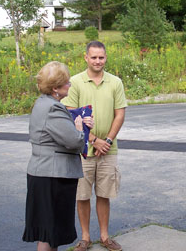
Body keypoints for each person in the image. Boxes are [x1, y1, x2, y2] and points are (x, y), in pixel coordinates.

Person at [62, 41, 127, 251]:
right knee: (82, 195)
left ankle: (105, 237)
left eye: (101, 57)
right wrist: (94, 140)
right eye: (94, 57)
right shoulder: (75, 82)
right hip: (82, 150)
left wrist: (106, 141)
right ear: (86, 58)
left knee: (104, 193)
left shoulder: (115, 82)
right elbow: (71, 114)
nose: (98, 61)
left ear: (106, 57)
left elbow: (120, 114)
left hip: (108, 150)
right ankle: (85, 237)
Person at [22, 61, 94, 251]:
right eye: (67, 83)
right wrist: (80, 129)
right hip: (53, 177)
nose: (70, 85)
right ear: (55, 88)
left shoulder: (43, 103)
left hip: (44, 174)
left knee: (48, 234)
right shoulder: (54, 108)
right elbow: (74, 141)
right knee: (49, 233)